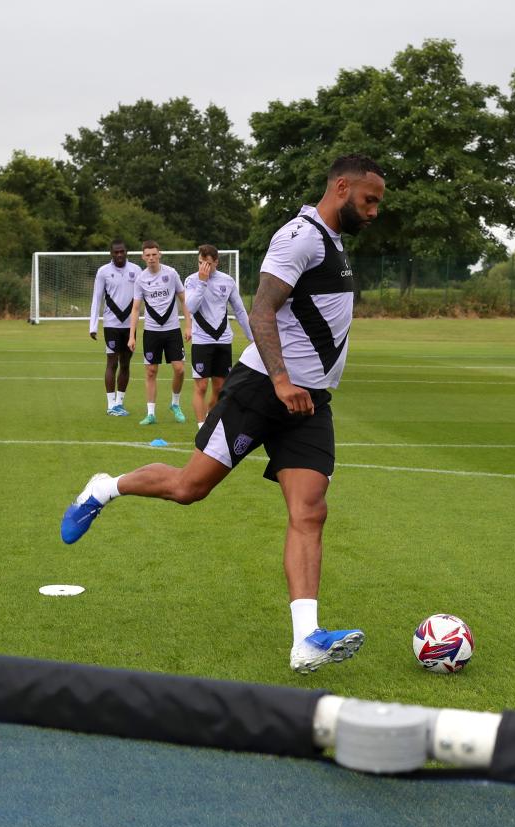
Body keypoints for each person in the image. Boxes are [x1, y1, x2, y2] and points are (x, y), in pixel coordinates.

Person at [60, 154, 386, 674]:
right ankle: (105, 488)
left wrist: (300, 386)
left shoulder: (335, 242)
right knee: (189, 487)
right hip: (263, 388)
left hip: (309, 403)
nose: (373, 212)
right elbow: (261, 309)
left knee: (310, 511)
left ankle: (306, 640)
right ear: (342, 188)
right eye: (369, 201)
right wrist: (281, 380)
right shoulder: (299, 237)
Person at [183, 244, 252, 428]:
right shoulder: (191, 280)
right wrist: (202, 282)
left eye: (207, 263)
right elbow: (191, 307)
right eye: (200, 263)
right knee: (201, 386)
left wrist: (252, 337)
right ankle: (201, 427)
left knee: (220, 388)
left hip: (223, 340)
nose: (203, 267)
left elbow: (240, 310)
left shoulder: (227, 281)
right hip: (201, 341)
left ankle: (210, 421)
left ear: (216, 262)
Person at [128, 241, 189, 425]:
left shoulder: (171, 274)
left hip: (172, 330)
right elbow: (135, 308)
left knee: (179, 369)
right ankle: (151, 414)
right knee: (151, 371)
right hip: (151, 332)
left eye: (154, 254)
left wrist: (189, 326)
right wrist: (132, 336)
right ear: (143, 257)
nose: (151, 258)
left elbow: (184, 300)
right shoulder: (140, 279)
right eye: (147, 255)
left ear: (159, 254)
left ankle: (175, 404)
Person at [89, 239, 141, 416]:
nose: (119, 254)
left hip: (130, 326)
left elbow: (141, 297)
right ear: (111, 253)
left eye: (122, 251)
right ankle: (111, 404)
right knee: (112, 362)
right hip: (111, 324)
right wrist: (93, 326)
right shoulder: (103, 271)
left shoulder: (136, 270)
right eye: (116, 252)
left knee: (125, 364)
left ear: (126, 252)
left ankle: (120, 402)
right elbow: (97, 299)